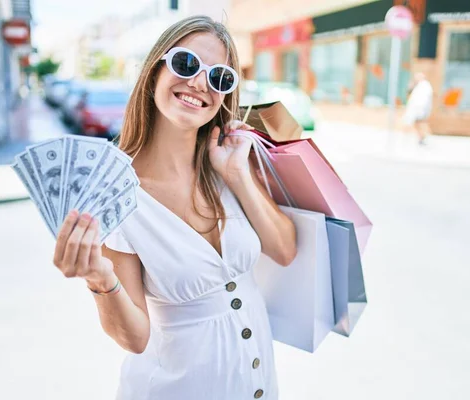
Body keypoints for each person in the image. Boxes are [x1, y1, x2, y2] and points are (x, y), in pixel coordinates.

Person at [51, 15, 297, 400]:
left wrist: (237, 177)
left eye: (220, 78)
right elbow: (133, 338)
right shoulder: (116, 193)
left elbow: (284, 249)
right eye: (186, 64)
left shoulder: (227, 164)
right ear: (154, 71)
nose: (200, 83)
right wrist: (99, 278)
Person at [402, 72, 433, 146]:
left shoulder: (425, 86)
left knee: (420, 124)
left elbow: (423, 100)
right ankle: (421, 138)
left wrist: (421, 109)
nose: (416, 79)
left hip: (420, 109)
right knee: (417, 124)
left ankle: (424, 137)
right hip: (417, 109)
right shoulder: (419, 86)